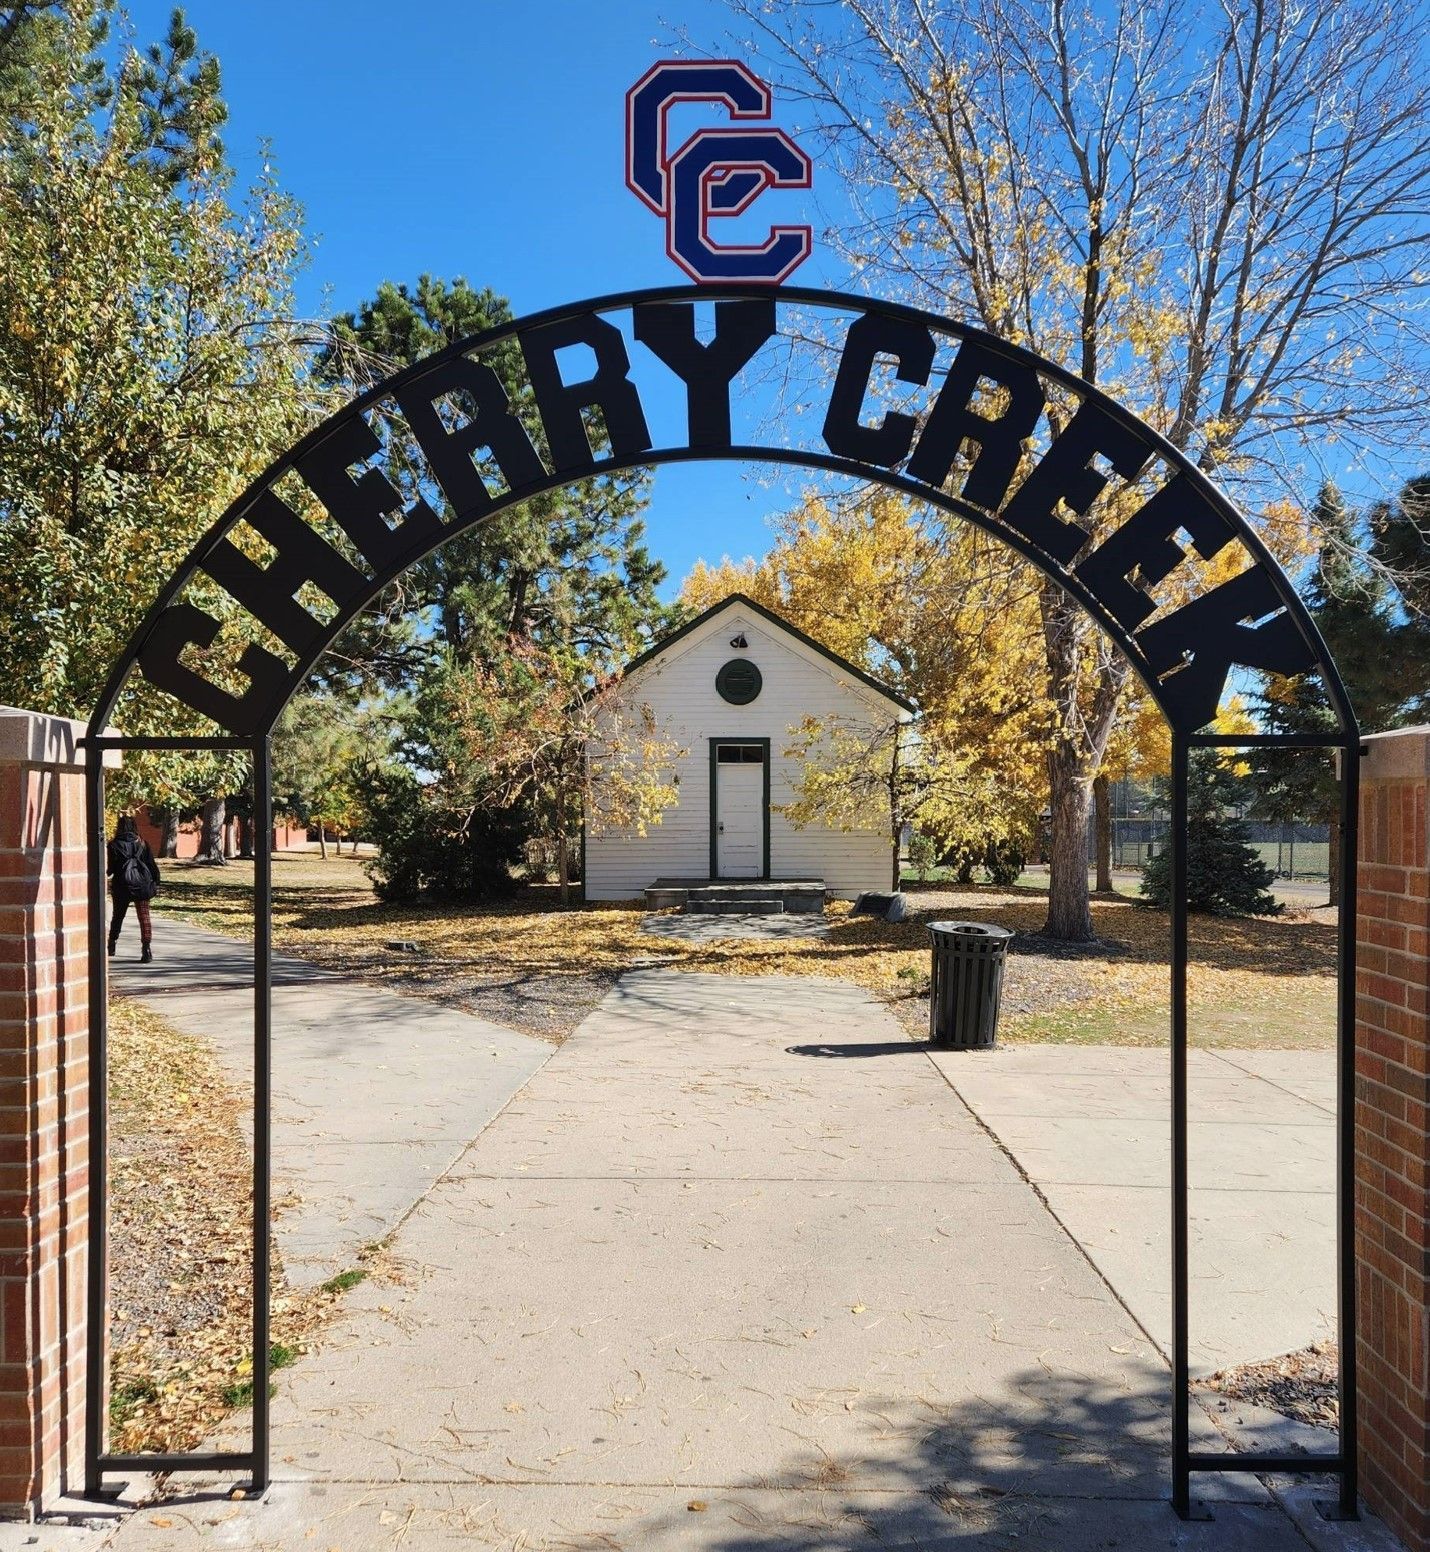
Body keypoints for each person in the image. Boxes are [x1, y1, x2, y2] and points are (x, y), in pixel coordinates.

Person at [107, 815, 160, 963]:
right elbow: (151, 864)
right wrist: (156, 881)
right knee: (144, 917)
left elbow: (110, 869)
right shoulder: (142, 843)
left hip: (122, 886)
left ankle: (112, 944)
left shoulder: (113, 845)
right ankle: (146, 949)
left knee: (118, 916)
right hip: (141, 885)